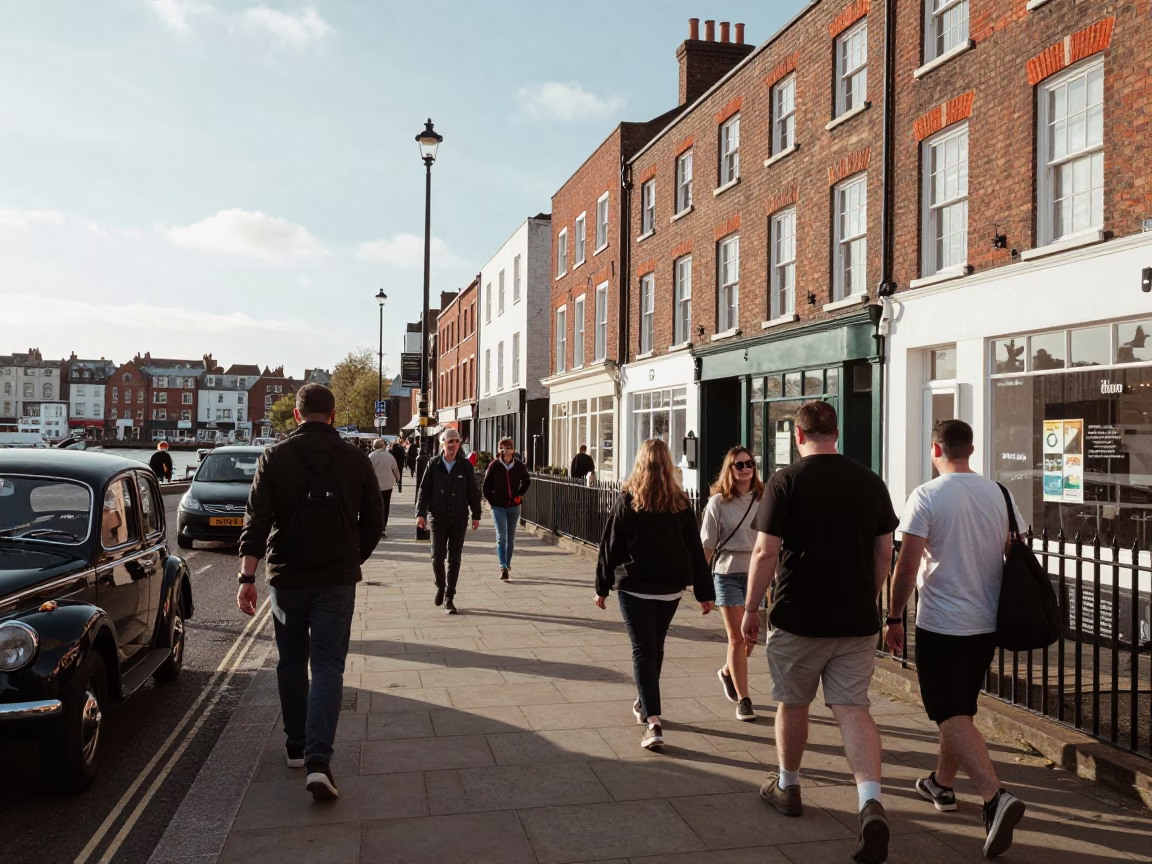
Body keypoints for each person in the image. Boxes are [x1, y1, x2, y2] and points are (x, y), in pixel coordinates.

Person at [741, 401, 896, 864]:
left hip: (797, 616)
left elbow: (765, 553)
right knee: (853, 709)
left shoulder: (786, 481)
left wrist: (751, 608)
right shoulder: (870, 481)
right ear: (838, 433)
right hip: (855, 620)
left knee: (793, 702)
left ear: (798, 435)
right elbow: (885, 550)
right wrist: (868, 596)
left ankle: (788, 786)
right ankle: (870, 801)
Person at [885, 420, 1027, 859]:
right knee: (960, 710)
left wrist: (893, 616)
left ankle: (994, 796)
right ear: (971, 449)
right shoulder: (998, 494)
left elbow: (907, 566)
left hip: (942, 624)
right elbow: (1013, 549)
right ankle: (941, 785)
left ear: (935, 449)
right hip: (986, 624)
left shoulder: (926, 496)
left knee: (949, 713)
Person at [236, 383, 383, 802]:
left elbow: (257, 520)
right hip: (336, 578)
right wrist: (352, 556)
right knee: (329, 666)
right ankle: (320, 761)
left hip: (287, 578)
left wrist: (247, 578)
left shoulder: (274, 456)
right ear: (333, 415)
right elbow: (375, 518)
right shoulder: (355, 458)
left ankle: (296, 746)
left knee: (292, 661)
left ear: (297, 416)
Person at [595, 438, 715, 751]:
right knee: (654, 647)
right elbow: (694, 549)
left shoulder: (628, 499)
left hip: (635, 587)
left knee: (643, 650)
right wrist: (705, 592)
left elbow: (610, 545)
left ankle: (654, 722)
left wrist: (602, 586)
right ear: (667, 464)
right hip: (670, 589)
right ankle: (644, 701)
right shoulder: (681, 502)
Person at [700, 446, 763, 723]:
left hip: (756, 575)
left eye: (749, 463)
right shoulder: (718, 503)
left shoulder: (764, 499)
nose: (746, 468)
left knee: (751, 639)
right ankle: (745, 699)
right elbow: (707, 546)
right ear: (730, 468)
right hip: (726, 574)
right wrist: (701, 585)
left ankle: (727, 672)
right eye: (740, 465)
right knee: (737, 637)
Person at [416, 428, 481, 614]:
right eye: (450, 441)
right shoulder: (433, 464)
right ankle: (441, 585)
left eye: (456, 441)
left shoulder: (465, 465)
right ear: (442, 443)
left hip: (459, 517)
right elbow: (424, 490)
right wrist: (420, 513)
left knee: (455, 559)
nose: (453, 445)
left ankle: (449, 597)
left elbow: (473, 491)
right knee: (437, 558)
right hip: (438, 517)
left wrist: (476, 514)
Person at [482, 436, 531, 580]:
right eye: (503, 447)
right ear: (500, 450)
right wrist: (491, 500)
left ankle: (507, 564)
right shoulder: (495, 465)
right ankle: (502, 565)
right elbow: (486, 486)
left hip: (513, 507)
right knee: (501, 536)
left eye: (509, 447)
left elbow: (527, 481)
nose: (506, 450)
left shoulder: (519, 465)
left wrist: (519, 494)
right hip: (498, 507)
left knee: (511, 537)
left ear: (513, 449)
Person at [369, 439, 401, 538]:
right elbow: (395, 470)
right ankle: (382, 529)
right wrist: (397, 479)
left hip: (375, 486)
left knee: (375, 507)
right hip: (388, 485)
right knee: (385, 506)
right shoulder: (389, 456)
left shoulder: (371, 456)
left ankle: (375, 528)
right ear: (382, 445)